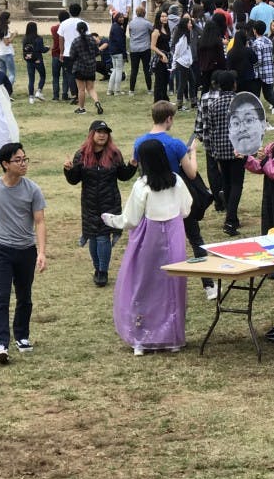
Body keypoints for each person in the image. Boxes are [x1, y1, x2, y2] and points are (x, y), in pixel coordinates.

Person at [103, 138, 192, 355]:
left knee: (143, 284)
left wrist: (110, 220)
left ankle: (141, 339)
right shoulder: (176, 181)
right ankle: (172, 337)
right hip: (174, 235)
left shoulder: (142, 185)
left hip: (150, 237)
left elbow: (130, 219)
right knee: (172, 285)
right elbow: (186, 209)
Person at [134, 100, 216, 300]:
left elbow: (139, 168)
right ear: (169, 119)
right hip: (176, 198)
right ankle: (209, 285)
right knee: (195, 238)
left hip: (152, 201)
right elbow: (191, 173)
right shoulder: (176, 144)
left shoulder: (139, 143)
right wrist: (193, 153)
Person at [0, 141, 47, 365]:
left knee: (25, 296)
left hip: (26, 250)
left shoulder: (33, 189)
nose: (23, 164)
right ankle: (1, 343)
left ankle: (22, 336)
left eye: (24, 159)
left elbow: (39, 221)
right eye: (18, 160)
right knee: (1, 298)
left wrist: (41, 252)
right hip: (1, 250)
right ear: (5, 164)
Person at [64, 120, 138, 286]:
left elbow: (123, 176)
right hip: (89, 203)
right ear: (92, 134)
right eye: (99, 131)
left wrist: (132, 166)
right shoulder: (81, 154)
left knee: (103, 237)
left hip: (109, 202)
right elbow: (74, 180)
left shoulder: (114, 154)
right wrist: (68, 170)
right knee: (93, 237)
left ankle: (103, 271)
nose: (102, 135)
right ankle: (96, 268)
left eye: (105, 132)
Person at [70, 21, 103, 116]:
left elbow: (72, 55)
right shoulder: (92, 40)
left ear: (77, 30)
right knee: (91, 88)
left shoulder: (76, 41)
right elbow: (97, 52)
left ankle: (82, 108)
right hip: (91, 67)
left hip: (80, 67)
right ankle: (97, 102)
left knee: (81, 89)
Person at [227, 90, 266, 160]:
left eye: (249, 120)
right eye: (236, 123)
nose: (242, 129)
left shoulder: (269, 152)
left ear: (263, 125)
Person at [21, 21, 48, 104]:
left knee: (31, 79)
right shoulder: (39, 38)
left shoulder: (24, 39)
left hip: (29, 60)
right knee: (42, 76)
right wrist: (47, 48)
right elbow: (42, 50)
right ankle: (39, 91)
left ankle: (31, 97)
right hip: (38, 60)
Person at [150, 9, 172, 103]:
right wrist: (162, 54)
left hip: (167, 56)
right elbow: (152, 46)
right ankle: (158, 101)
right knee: (159, 81)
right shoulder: (156, 31)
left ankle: (164, 99)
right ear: (159, 18)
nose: (164, 18)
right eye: (162, 16)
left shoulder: (166, 29)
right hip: (160, 58)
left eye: (166, 16)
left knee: (166, 79)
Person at [0, 11, 16, 85]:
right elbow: (7, 42)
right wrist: (14, 35)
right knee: (12, 74)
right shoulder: (5, 28)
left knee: (2, 74)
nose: (10, 20)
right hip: (7, 53)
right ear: (6, 19)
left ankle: (1, 89)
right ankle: (7, 90)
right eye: (9, 18)